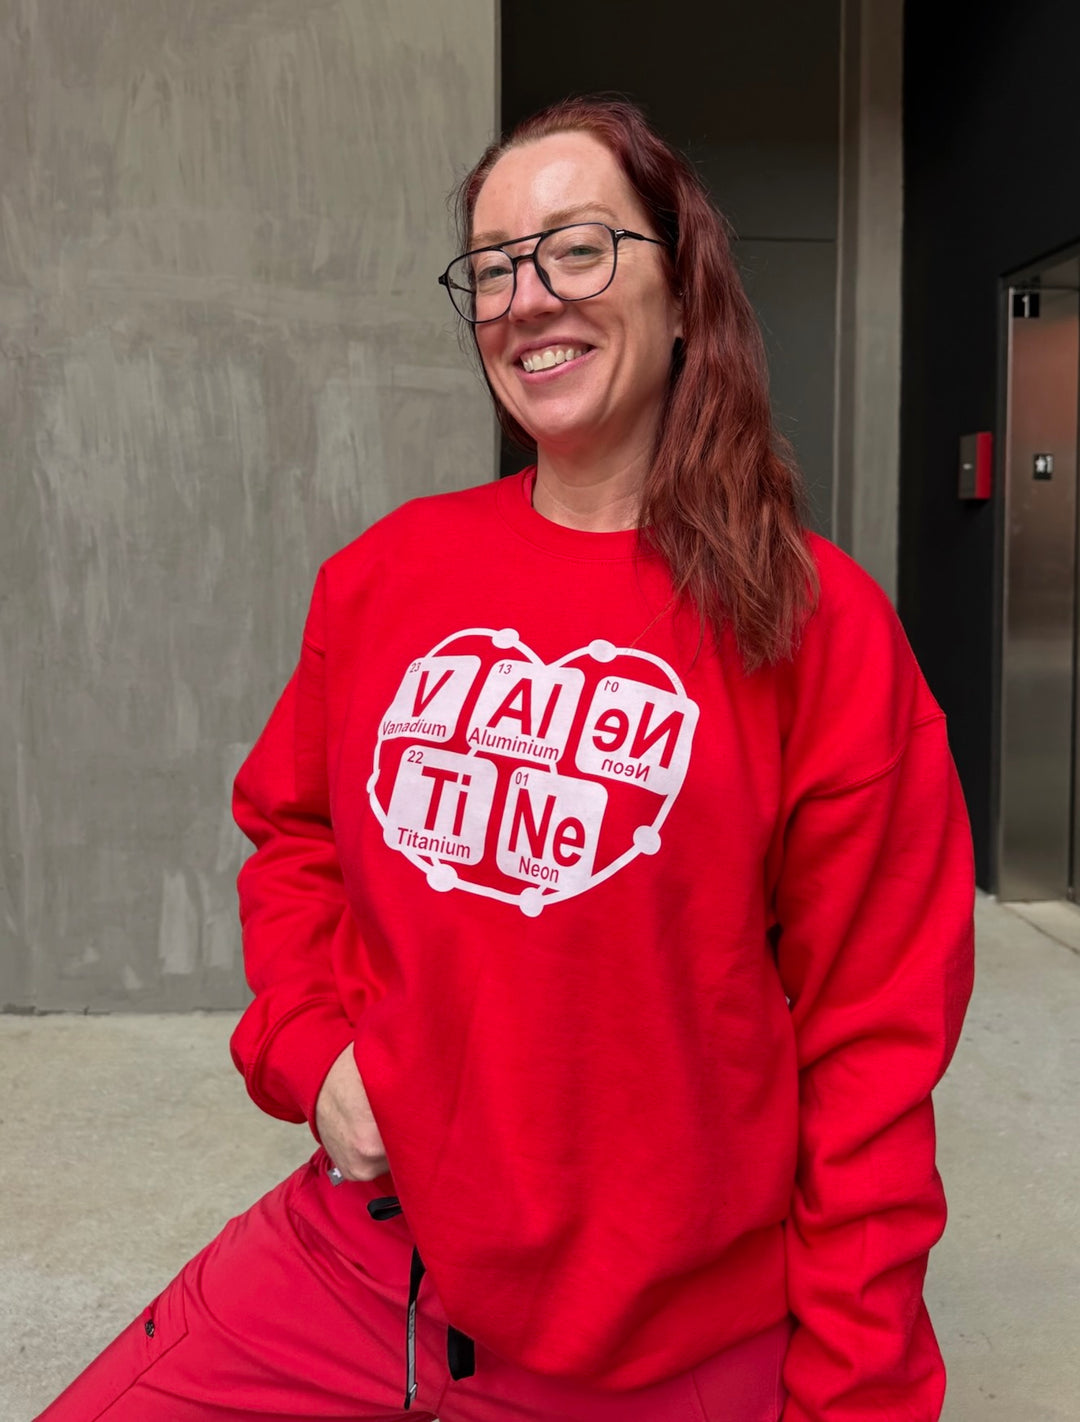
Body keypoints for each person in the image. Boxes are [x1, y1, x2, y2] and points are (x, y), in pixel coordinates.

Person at [38, 96, 974, 1422]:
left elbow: (873, 1060)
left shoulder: (817, 630)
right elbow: (290, 834)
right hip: (366, 1268)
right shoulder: (386, 578)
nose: (528, 297)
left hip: (661, 1347)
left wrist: (855, 1398)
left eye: (578, 248)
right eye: (493, 266)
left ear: (686, 286)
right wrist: (316, 1050)